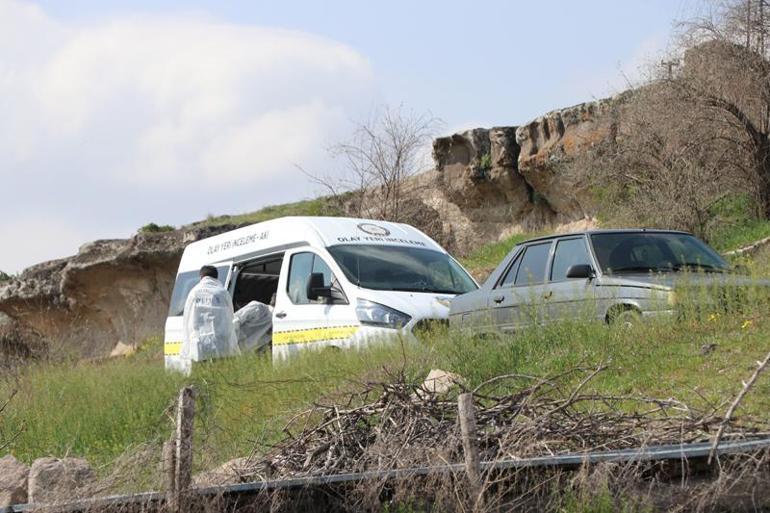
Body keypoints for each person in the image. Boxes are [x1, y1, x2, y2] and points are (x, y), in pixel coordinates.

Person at [180, 265, 239, 373]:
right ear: (216, 277)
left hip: (200, 345)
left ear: (201, 277)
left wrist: (187, 345)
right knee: (223, 376)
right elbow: (231, 316)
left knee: (201, 377)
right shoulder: (223, 293)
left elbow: (187, 319)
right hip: (222, 343)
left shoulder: (194, 293)